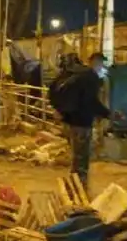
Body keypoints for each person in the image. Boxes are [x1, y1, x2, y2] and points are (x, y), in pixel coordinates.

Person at [49, 52, 122, 192]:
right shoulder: (90, 77)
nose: (102, 67)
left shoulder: (74, 75)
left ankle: (74, 185)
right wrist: (109, 114)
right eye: (101, 64)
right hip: (82, 122)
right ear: (95, 62)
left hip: (70, 121)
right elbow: (92, 102)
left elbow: (53, 90)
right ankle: (79, 188)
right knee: (82, 158)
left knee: (77, 156)